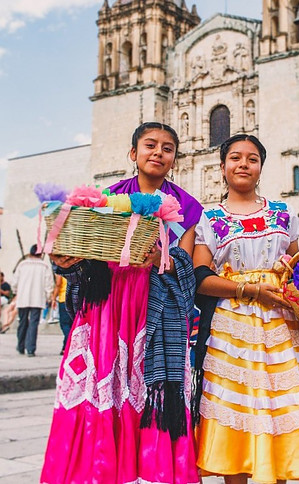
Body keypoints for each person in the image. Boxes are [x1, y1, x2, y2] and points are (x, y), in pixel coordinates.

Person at [41, 122, 203, 484]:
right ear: (133, 153)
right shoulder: (106, 199)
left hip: (154, 308)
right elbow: (85, 255)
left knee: (149, 392)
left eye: (167, 148)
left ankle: (154, 470)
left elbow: (185, 264)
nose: (158, 153)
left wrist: (161, 256)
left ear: (174, 159)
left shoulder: (187, 207)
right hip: (109, 307)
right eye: (150, 145)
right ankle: (99, 470)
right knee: (103, 386)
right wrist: (67, 262)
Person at [192, 134, 299, 482]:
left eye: (251, 158)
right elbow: (201, 278)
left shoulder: (284, 214)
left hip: (281, 327)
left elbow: (296, 276)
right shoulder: (209, 218)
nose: (243, 164)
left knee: (280, 416)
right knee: (237, 414)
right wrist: (251, 290)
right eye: (235, 157)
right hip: (233, 330)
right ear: (222, 167)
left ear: (261, 168)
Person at [11, 245, 54, 356]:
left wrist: (15, 292)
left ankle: (20, 346)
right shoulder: (44, 266)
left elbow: (14, 282)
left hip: (23, 298)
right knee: (33, 323)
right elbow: (48, 284)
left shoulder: (22, 264)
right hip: (37, 298)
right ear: (40, 254)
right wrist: (49, 296)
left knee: (22, 321)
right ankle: (31, 349)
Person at [51, 274, 73, 355]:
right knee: (71, 324)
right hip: (75, 298)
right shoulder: (77, 266)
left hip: (64, 299)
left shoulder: (62, 267)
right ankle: (65, 347)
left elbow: (58, 283)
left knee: (64, 324)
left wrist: (53, 298)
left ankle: (68, 344)